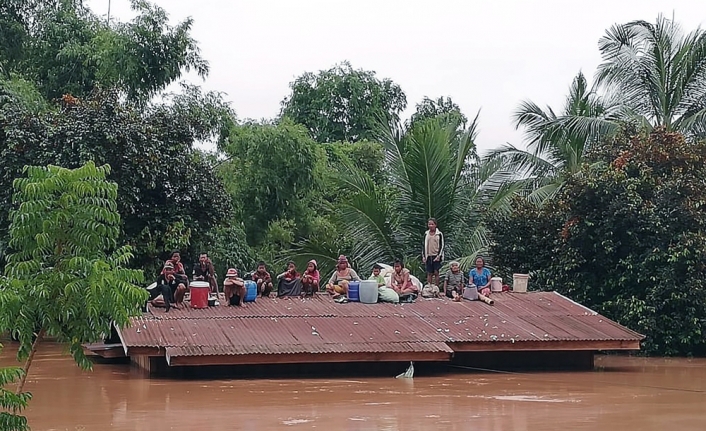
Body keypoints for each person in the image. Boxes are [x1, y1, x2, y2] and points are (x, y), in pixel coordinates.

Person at [422, 218, 445, 287]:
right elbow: (423, 245)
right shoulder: (426, 234)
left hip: (436, 255)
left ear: (435, 225)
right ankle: (429, 287)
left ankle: (436, 287)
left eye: (432, 224)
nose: (430, 226)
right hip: (428, 255)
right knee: (429, 273)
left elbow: (442, 245)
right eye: (429, 224)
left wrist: (439, 256)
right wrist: (423, 256)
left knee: (436, 272)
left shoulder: (439, 234)